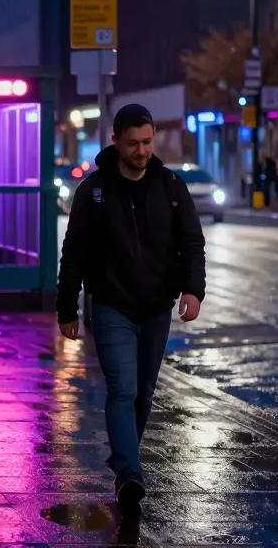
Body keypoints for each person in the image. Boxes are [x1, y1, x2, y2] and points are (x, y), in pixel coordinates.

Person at [56, 103, 206, 509]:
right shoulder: (94, 191)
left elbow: (192, 243)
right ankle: (128, 474)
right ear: (116, 142)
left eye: (147, 142)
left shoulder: (171, 187)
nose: (142, 151)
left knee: (143, 394)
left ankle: (124, 455)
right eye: (133, 144)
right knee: (122, 389)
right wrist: (66, 307)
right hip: (111, 306)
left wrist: (193, 290)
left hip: (157, 306)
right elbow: (74, 253)